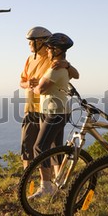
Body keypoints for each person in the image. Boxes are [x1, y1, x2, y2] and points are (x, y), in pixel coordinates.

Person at [19, 27, 79, 170]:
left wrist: (68, 65)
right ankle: (28, 181)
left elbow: (75, 75)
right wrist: (27, 84)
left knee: (52, 149)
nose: (28, 45)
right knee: (27, 147)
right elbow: (21, 82)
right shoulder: (29, 60)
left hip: (49, 110)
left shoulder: (52, 58)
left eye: (30, 42)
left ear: (39, 41)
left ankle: (53, 183)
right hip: (31, 108)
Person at [29, 33, 74, 199]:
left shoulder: (57, 68)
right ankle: (59, 184)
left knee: (39, 148)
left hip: (55, 113)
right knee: (55, 148)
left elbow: (41, 89)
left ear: (55, 50)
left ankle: (46, 186)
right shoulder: (61, 66)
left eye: (49, 48)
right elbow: (76, 74)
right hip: (56, 111)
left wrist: (33, 87)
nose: (47, 50)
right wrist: (68, 65)